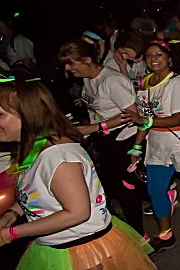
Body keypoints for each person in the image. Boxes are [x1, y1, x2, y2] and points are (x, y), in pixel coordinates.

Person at [0, 77, 155, 269]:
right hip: (57, 248)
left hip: (84, 254)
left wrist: (7, 235)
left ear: (27, 113)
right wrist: (10, 215)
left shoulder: (59, 156)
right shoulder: (36, 146)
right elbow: (34, 192)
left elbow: (77, 213)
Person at [122, 40, 180, 255]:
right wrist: (136, 147)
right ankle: (166, 234)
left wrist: (143, 121)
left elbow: (178, 120)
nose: (154, 59)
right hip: (157, 145)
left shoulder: (177, 83)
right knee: (155, 190)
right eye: (149, 56)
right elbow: (145, 119)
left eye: (159, 55)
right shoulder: (145, 84)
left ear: (169, 59)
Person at [58, 39, 150, 238]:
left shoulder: (111, 80)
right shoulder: (88, 79)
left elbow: (131, 113)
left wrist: (95, 127)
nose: (67, 68)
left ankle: (139, 233)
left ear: (87, 60)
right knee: (110, 186)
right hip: (106, 140)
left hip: (126, 138)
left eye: (71, 63)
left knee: (125, 188)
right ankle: (156, 195)